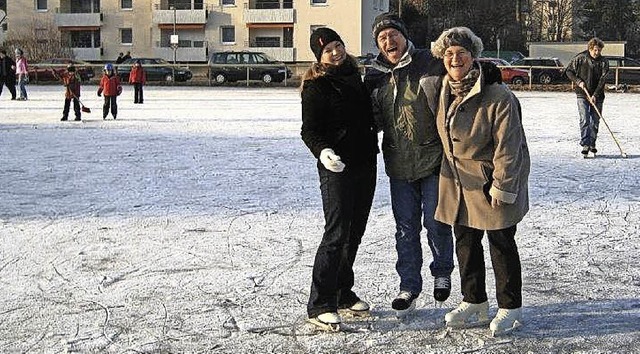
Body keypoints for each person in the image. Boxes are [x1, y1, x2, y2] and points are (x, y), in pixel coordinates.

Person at [430, 27, 530, 336]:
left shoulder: (498, 95)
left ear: (474, 56)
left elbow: (510, 147)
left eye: (461, 53)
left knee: (501, 244)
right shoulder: (442, 88)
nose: (454, 59)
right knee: (466, 243)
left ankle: (510, 307)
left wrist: (503, 185)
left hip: (490, 182)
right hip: (459, 184)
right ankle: (474, 300)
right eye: (448, 54)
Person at [363, 12, 454, 316]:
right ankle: (408, 286)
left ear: (404, 36)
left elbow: (458, 67)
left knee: (436, 222)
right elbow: (370, 119)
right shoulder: (374, 74)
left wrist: (486, 73)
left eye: (393, 34)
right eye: (382, 38)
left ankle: (441, 271)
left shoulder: (429, 60)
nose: (389, 41)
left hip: (431, 159)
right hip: (398, 165)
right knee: (405, 229)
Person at [300, 27, 379, 330]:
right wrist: (323, 152)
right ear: (319, 56)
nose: (335, 52)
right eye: (328, 49)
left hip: (365, 163)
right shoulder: (316, 86)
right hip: (337, 167)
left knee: (354, 232)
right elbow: (309, 130)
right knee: (336, 233)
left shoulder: (356, 77)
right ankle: (320, 302)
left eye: (338, 44)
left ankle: (343, 292)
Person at [564, 37, 609, 157]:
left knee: (595, 121)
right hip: (582, 94)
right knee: (584, 119)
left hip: (598, 95)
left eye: (599, 50)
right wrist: (578, 81)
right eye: (595, 50)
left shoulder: (604, 62)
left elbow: (602, 80)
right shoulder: (580, 58)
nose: (597, 53)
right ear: (590, 48)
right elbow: (568, 71)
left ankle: (592, 144)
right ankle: (585, 143)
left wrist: (595, 95)